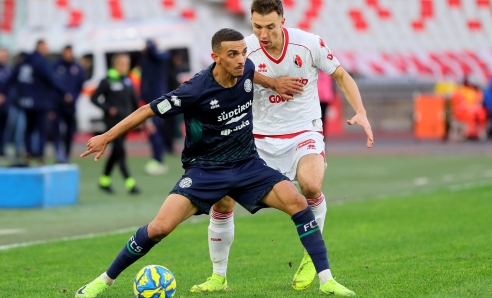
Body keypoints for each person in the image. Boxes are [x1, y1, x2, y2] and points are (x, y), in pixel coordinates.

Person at [75, 28, 356, 297]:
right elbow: (147, 110)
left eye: (243, 53)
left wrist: (273, 83)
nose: (241, 59)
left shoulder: (245, 69)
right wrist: (106, 136)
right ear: (216, 58)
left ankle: (326, 280)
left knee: (298, 202)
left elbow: (253, 75)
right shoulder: (195, 90)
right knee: (160, 227)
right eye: (232, 54)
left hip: (247, 165)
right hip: (205, 170)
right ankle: (103, 281)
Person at [192, 0, 373, 293]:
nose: (263, 34)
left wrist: (361, 111)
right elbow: (223, 73)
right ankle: (218, 277)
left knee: (311, 186)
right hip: (258, 137)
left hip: (303, 129)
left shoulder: (308, 44)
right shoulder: (244, 48)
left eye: (270, 27)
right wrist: (272, 82)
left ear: (283, 21)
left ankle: (312, 259)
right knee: (222, 199)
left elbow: (340, 75)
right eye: (257, 26)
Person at [0, 40, 72, 165]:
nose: (47, 50)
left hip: (25, 101)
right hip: (40, 102)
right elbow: (51, 80)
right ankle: (40, 157)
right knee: (41, 129)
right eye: (45, 47)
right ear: (40, 48)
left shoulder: (24, 61)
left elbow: (12, 78)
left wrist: (3, 92)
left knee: (28, 129)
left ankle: (27, 156)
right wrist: (65, 92)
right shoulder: (40, 62)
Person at [90, 53, 140, 194]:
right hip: (112, 123)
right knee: (120, 151)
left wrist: (143, 120)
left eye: (127, 64)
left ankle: (104, 181)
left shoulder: (128, 82)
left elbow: (135, 102)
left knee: (116, 153)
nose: (125, 66)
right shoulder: (107, 80)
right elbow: (93, 98)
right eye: (122, 63)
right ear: (115, 64)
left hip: (126, 123)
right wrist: (108, 109)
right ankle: (130, 183)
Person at [140, 40, 171, 175]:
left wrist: (151, 46)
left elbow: (162, 56)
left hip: (158, 101)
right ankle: (157, 159)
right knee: (152, 130)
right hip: (150, 100)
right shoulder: (146, 61)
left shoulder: (158, 58)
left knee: (154, 130)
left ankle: (158, 160)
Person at [51, 45, 86, 163]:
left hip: (71, 105)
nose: (68, 55)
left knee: (70, 131)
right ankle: (58, 152)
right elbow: (53, 84)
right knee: (57, 130)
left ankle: (67, 154)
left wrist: (73, 97)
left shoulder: (77, 68)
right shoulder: (56, 67)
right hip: (58, 105)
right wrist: (61, 96)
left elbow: (80, 85)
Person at [0, 48, 11, 159]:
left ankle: (2, 149)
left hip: (5, 104)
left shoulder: (8, 70)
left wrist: (4, 96)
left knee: (4, 128)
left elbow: (12, 87)